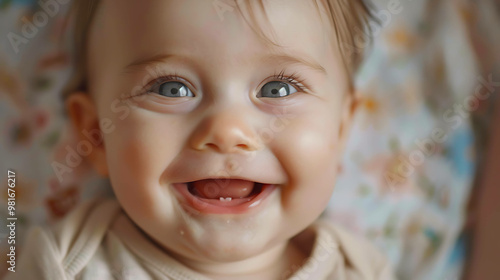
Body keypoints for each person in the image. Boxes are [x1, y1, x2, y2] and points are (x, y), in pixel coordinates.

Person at [6, 0, 395, 279]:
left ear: (342, 131)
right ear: (96, 136)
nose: (227, 132)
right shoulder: (66, 262)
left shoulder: (359, 269)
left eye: (277, 89)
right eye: (172, 88)